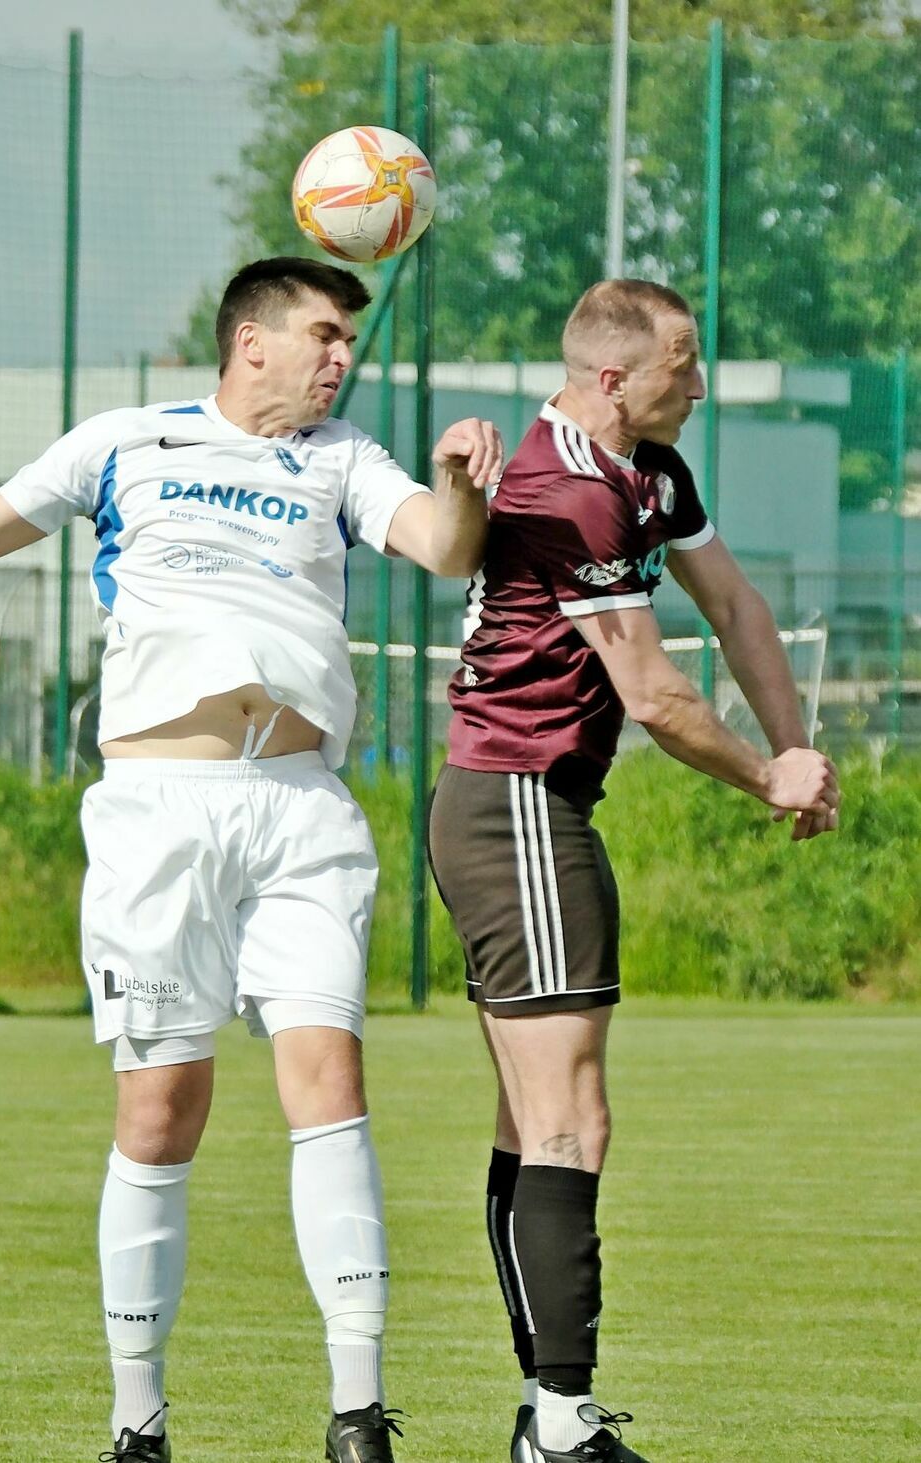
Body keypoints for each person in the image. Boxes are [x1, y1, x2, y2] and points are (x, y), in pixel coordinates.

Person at [0, 255, 502, 1463]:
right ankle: (139, 1424)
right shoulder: (125, 442)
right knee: (161, 1108)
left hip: (300, 805)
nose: (343, 358)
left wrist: (457, 482)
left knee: (329, 1086)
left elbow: (445, 549)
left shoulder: (343, 458)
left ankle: (356, 1415)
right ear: (252, 343)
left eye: (349, 342)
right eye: (326, 335)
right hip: (159, 810)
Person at [427, 279, 839, 1463]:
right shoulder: (564, 488)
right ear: (614, 377)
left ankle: (544, 1414)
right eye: (684, 362)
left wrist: (798, 741)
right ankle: (561, 1420)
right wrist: (768, 779)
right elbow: (654, 696)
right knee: (572, 1121)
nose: (700, 382)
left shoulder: (649, 472)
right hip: (515, 809)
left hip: (526, 808)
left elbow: (738, 605)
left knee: (534, 1120)